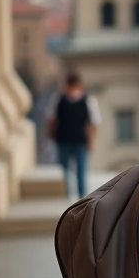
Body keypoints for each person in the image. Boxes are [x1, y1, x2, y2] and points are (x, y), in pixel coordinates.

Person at [45, 72, 100, 200]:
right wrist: (50, 135)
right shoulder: (58, 100)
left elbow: (94, 123)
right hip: (63, 140)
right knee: (64, 171)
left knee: (80, 171)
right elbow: (52, 119)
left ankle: (82, 197)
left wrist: (91, 140)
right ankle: (66, 195)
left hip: (80, 141)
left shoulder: (88, 101)